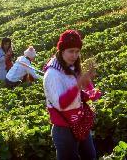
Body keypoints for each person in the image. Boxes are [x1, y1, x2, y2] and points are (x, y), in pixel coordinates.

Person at [44, 29, 101, 160]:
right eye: (70, 51)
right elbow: (61, 104)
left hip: (79, 122)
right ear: (62, 51)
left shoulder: (74, 67)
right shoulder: (52, 75)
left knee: (90, 156)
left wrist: (91, 94)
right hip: (64, 128)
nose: (74, 55)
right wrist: (78, 86)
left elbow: (84, 91)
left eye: (77, 51)